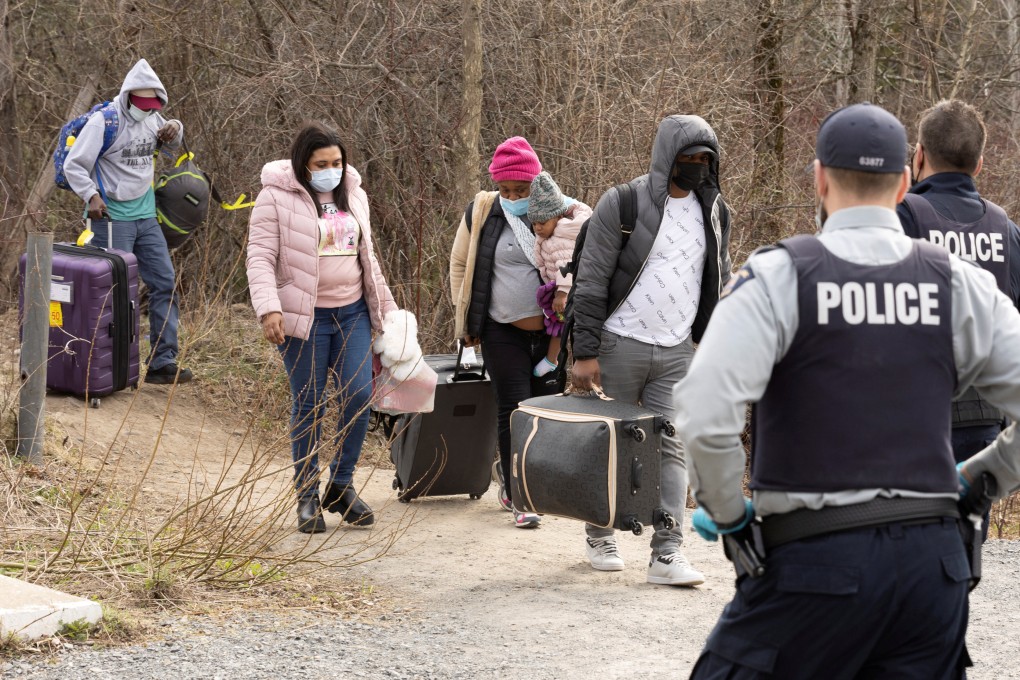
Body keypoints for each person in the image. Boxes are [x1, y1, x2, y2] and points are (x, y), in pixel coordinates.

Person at [676, 102, 1020, 678]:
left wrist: (729, 515)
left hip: (813, 565)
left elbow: (705, 413)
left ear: (819, 178)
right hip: (932, 572)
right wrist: (982, 477)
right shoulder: (959, 283)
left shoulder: (778, 276)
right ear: (905, 181)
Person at [569, 114, 733, 586]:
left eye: (706, 160)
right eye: (689, 159)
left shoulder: (716, 211)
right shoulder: (622, 203)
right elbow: (592, 279)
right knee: (608, 446)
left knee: (672, 449)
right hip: (619, 345)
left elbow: (716, 278)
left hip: (679, 351)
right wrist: (585, 352)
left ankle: (667, 553)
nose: (698, 167)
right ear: (668, 159)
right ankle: (600, 533)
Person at [247, 122, 398, 534]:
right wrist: (268, 309)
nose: (330, 169)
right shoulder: (275, 197)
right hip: (304, 318)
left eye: (336, 162)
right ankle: (307, 495)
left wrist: (386, 309)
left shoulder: (354, 193)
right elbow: (260, 256)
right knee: (309, 403)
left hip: (353, 313)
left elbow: (369, 257)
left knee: (358, 394)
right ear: (303, 164)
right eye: (321, 163)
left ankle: (342, 485)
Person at [898, 99, 1020, 471]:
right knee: (968, 526)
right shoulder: (1007, 231)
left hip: (912, 412)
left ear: (918, 156)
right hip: (985, 419)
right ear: (979, 165)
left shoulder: (901, 216)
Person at [449, 136, 560, 528]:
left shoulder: (555, 212)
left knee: (546, 412)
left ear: (537, 183)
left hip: (551, 336)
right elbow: (461, 264)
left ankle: (535, 480)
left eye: (521, 189)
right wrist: (466, 324)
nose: (513, 196)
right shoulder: (482, 212)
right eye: (505, 189)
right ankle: (519, 493)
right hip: (501, 329)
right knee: (514, 409)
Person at [63, 58, 191, 384]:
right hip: (111, 219)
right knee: (117, 294)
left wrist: (174, 127)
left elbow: (172, 143)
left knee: (164, 283)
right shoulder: (103, 123)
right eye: (142, 103)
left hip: (146, 217)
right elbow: (74, 165)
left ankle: (162, 362)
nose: (147, 110)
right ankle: (112, 366)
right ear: (128, 95)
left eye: (153, 105)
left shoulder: (152, 118)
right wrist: (90, 195)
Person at [527, 171, 592, 377]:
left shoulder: (561, 235)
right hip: (559, 289)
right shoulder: (552, 233)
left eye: (542, 222)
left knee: (560, 323)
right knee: (558, 323)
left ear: (557, 216)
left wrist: (562, 293)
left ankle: (552, 360)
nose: (537, 227)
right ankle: (555, 359)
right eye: (534, 222)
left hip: (568, 292)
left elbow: (567, 264)